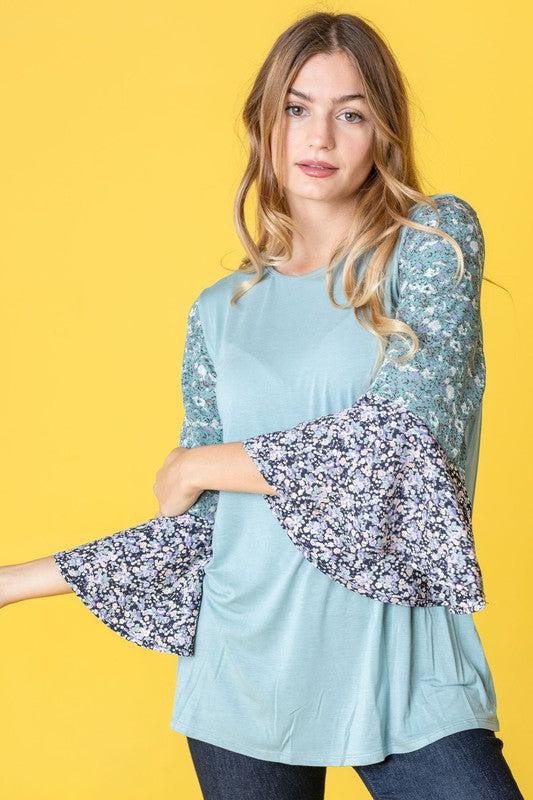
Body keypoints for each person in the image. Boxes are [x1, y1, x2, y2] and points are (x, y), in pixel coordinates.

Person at [0, 11, 525, 800]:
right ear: (264, 123)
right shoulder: (220, 309)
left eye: (349, 113)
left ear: (381, 130)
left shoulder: (431, 242)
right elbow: (206, 531)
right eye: (296, 108)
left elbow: (400, 445)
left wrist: (199, 463)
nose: (320, 136)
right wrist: (12, 581)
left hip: (403, 668)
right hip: (241, 677)